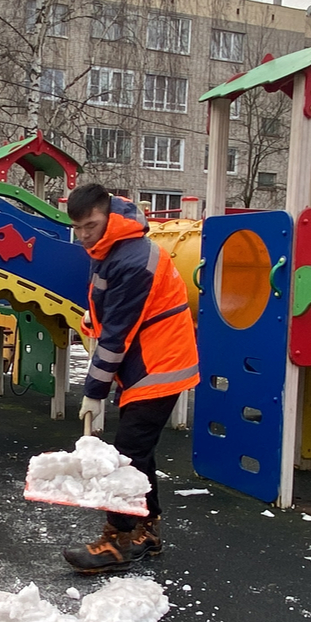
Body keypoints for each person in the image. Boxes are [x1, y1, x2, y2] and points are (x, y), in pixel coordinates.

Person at [63, 183, 199, 574]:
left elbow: (119, 333)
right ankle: (148, 529)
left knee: (127, 454)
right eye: (78, 229)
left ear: (109, 214)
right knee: (139, 452)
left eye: (90, 225)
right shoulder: (110, 246)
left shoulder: (134, 258)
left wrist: (94, 391)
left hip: (159, 362)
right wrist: (96, 317)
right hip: (148, 358)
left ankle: (118, 540)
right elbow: (111, 307)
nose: (84, 235)